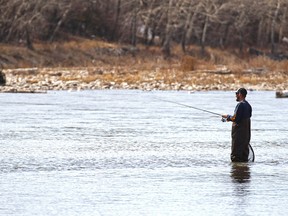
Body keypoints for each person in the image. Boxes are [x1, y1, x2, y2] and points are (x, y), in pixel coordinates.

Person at [222, 88, 252, 162]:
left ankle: (236, 172)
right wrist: (228, 116)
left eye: (236, 94)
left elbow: (235, 119)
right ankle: (244, 171)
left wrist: (228, 118)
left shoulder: (240, 105)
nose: (236, 95)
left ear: (240, 94)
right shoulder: (248, 106)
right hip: (246, 135)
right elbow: (239, 118)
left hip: (238, 135)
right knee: (244, 154)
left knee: (236, 155)